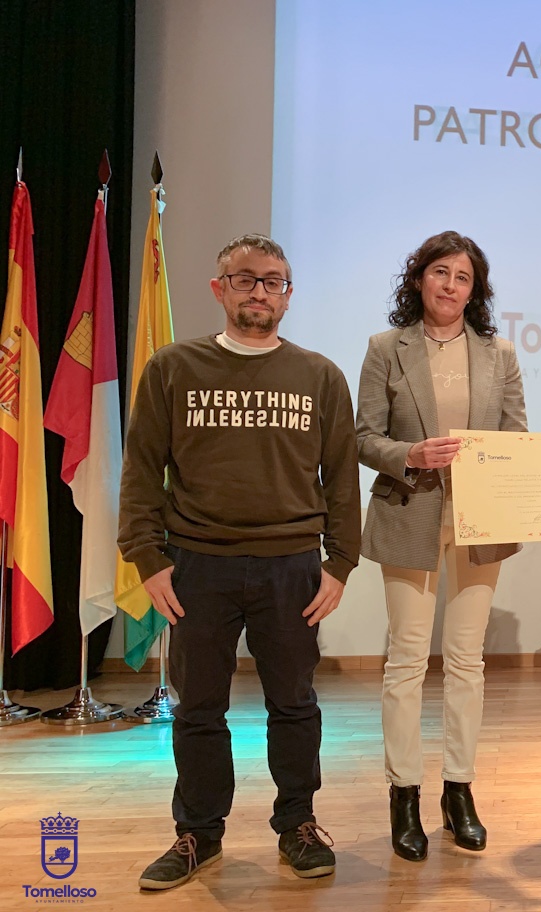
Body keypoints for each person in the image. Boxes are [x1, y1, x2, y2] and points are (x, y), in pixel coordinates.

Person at [118, 234, 361, 890]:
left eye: (273, 281)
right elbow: (142, 470)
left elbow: (341, 478)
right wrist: (147, 557)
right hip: (198, 565)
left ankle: (298, 825)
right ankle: (197, 833)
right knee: (198, 707)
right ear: (219, 288)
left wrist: (340, 562)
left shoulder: (320, 376)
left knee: (295, 703)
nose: (260, 291)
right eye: (246, 279)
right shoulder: (173, 368)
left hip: (292, 567)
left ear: (288, 294)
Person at [355, 231, 526, 861]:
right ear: (419, 279)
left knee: (466, 660)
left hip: (480, 519)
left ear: (474, 289)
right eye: (439, 272)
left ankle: (460, 794)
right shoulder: (385, 348)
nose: (450, 285)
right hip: (409, 512)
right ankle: (405, 796)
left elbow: (517, 438)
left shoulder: (500, 353)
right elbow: (364, 436)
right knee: (405, 661)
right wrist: (410, 454)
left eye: (462, 276)